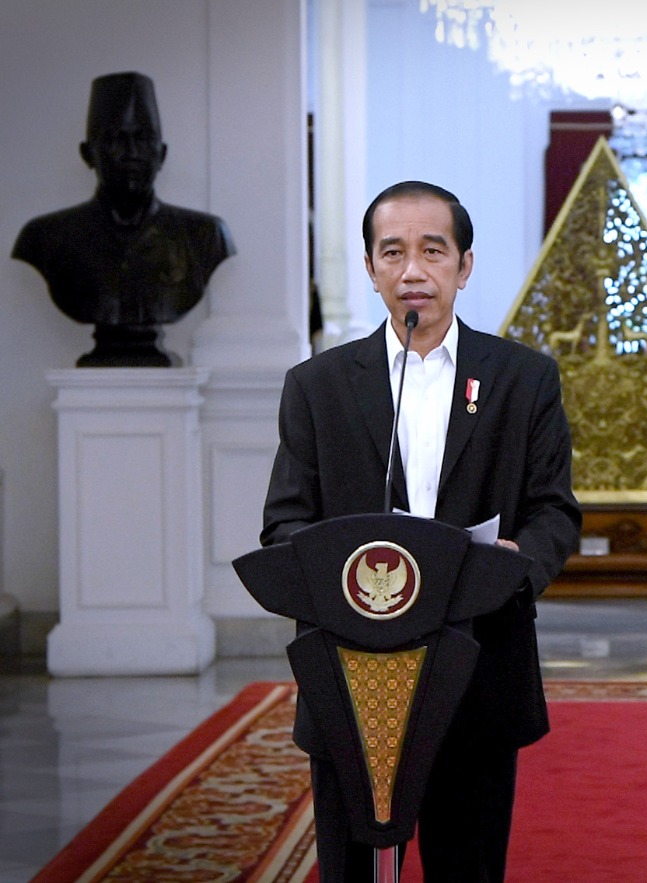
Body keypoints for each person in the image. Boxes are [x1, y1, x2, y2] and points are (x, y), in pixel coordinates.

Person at [261, 180, 581, 881]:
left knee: (467, 865)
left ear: (464, 266)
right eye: (393, 252)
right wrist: (333, 570)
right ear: (372, 268)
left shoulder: (522, 379)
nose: (413, 271)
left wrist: (515, 563)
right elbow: (284, 521)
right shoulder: (317, 386)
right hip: (352, 678)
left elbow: (555, 511)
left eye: (432, 251)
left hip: (477, 665)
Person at [11, 71, 234, 366]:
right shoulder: (45, 238)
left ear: (162, 154)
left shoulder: (205, 236)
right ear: (88, 154)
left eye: (143, 139)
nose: (131, 153)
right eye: (116, 139)